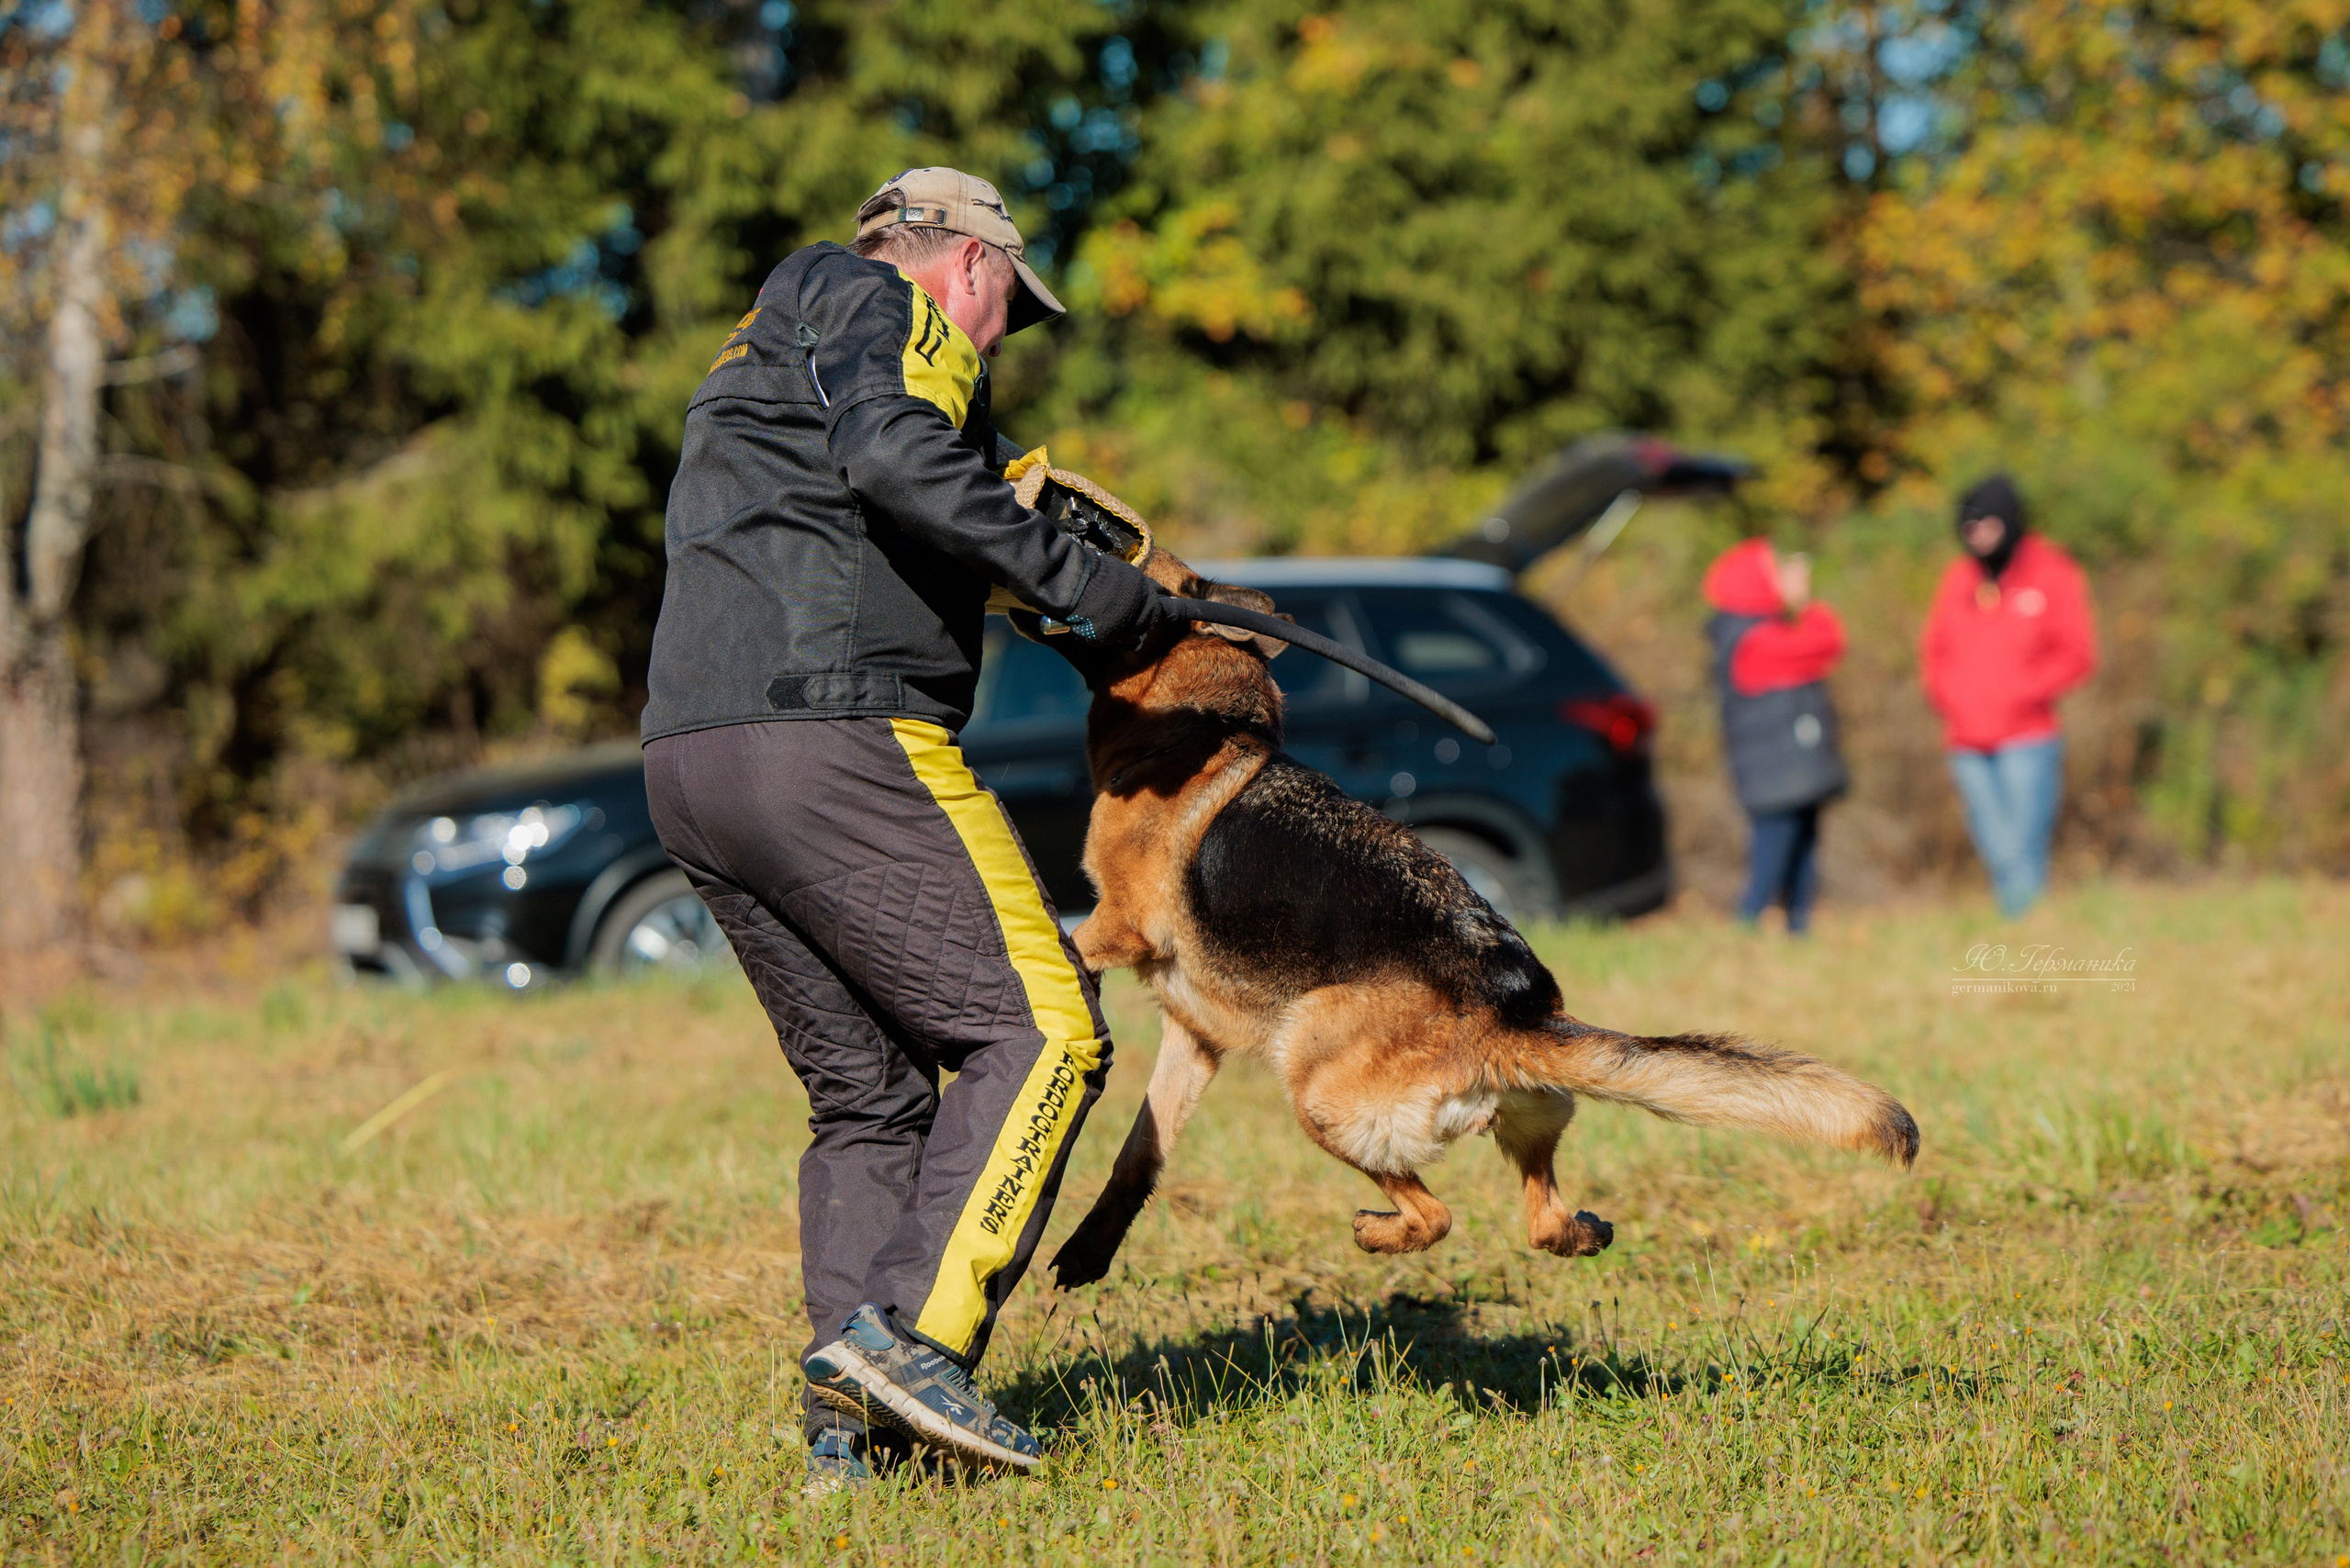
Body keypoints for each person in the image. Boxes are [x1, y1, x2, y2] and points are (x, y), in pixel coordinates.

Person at [637, 169, 1179, 1491]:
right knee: (1044, 1030)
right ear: (970, 265)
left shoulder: (775, 341)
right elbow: (894, 458)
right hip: (836, 739)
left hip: (694, 755)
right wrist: (1104, 600)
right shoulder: (888, 300)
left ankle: (853, 1433)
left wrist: (1012, 535)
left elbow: (859, 504)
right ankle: (919, 1345)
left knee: (871, 1098)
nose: (998, 342)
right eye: (1008, 311)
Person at [1919, 474, 2098, 916]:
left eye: (1987, 526)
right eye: (1969, 528)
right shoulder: (1959, 579)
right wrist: (1950, 697)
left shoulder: (2051, 572)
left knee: (2024, 841)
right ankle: (2018, 921)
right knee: (1995, 843)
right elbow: (1935, 651)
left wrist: (2021, 693)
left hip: (2028, 734)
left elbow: (2076, 653)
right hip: (1966, 737)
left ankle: (2024, 933)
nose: (1978, 537)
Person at [1702, 538, 1849, 935]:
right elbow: (1827, 642)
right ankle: (1744, 934)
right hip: (1776, 778)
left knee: (1801, 857)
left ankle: (1795, 933)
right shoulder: (1753, 642)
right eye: (1776, 571)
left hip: (1791, 774)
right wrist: (1804, 603)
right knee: (1770, 864)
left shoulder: (1756, 632)